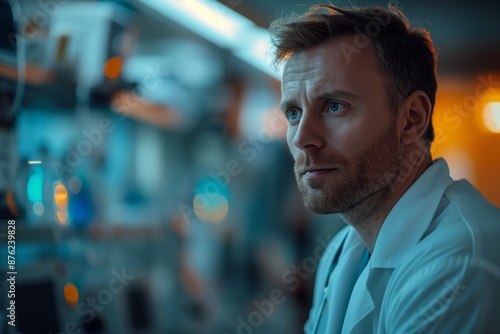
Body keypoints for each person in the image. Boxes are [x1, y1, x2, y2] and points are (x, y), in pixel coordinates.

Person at [269, 4, 500, 334]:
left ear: (412, 119)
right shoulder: (342, 252)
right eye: (293, 113)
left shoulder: (460, 262)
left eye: (334, 106)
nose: (303, 138)